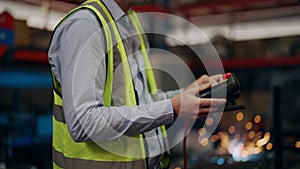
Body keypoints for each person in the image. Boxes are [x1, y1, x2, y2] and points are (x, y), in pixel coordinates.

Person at [48, 0, 226, 169]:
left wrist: (188, 94)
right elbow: (83, 123)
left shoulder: (130, 21)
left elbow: (140, 101)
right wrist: (171, 108)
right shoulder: (86, 27)